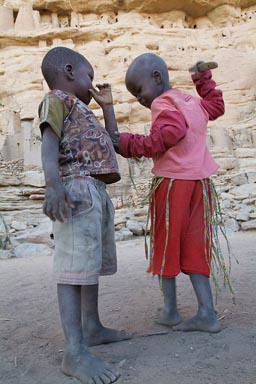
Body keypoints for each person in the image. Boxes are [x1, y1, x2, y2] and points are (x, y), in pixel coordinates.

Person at [109, 52, 230, 333]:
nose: (139, 99)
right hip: (199, 184)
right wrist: (203, 80)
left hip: (173, 184)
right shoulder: (189, 100)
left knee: (165, 246)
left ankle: (170, 310)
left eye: (139, 91)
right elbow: (216, 106)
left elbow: (166, 136)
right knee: (194, 246)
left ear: (157, 78)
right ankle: (207, 313)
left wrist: (126, 143)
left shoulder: (164, 103)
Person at [38, 46, 131, 384]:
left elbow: (111, 140)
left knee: (88, 266)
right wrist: (53, 186)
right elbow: (49, 143)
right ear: (69, 71)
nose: (93, 83)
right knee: (72, 268)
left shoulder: (81, 108)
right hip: (74, 188)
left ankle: (91, 327)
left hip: (95, 191)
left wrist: (107, 107)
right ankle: (74, 351)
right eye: (89, 75)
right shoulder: (57, 100)